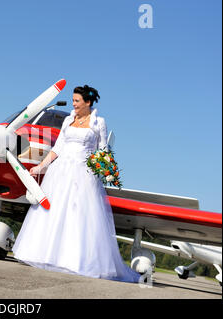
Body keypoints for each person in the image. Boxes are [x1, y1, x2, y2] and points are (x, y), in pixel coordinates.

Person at [12, 85, 141, 283]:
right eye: (72, 101)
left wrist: (105, 170)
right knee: (53, 213)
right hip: (61, 171)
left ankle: (77, 261)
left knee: (79, 216)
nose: (73, 104)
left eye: (77, 101)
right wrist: (41, 167)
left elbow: (103, 150)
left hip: (84, 173)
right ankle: (44, 255)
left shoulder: (99, 122)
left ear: (88, 102)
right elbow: (58, 148)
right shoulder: (67, 120)